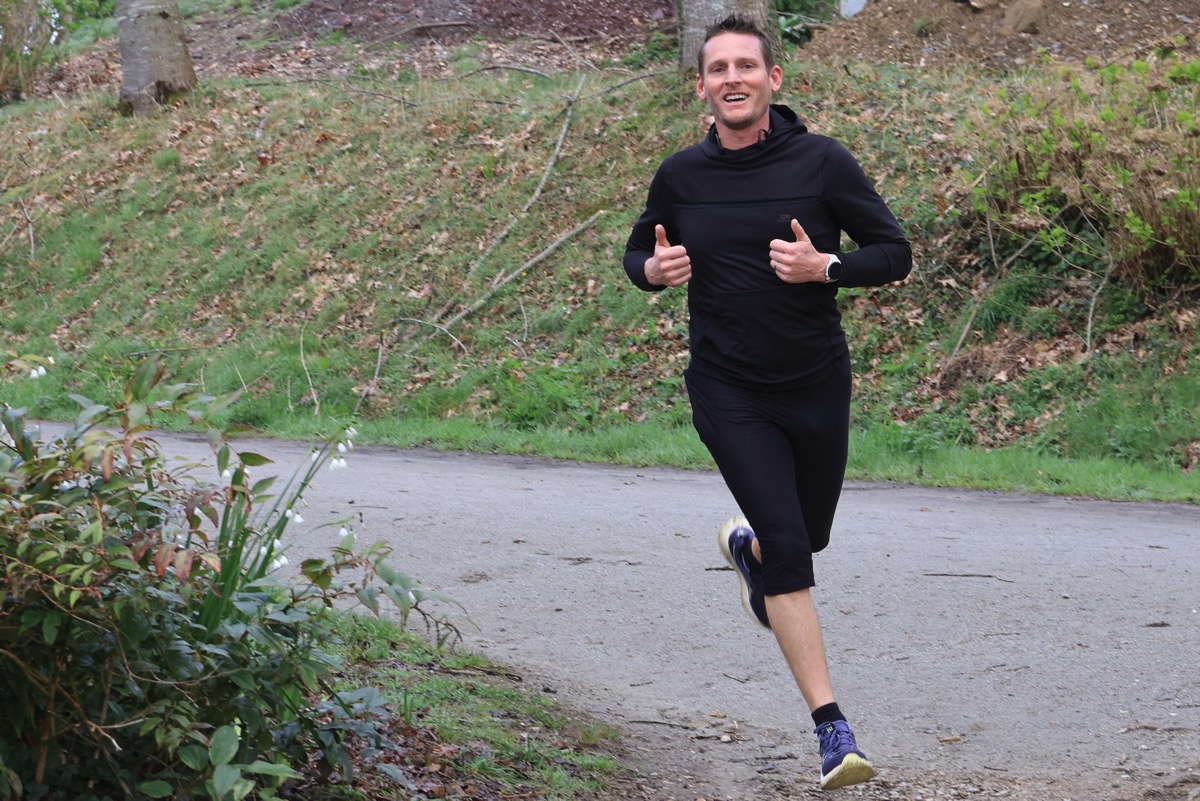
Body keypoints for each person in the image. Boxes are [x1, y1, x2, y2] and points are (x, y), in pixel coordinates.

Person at [622, 13, 913, 791]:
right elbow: (638, 249)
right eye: (718, 69)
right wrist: (652, 272)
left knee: (806, 536)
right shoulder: (681, 176)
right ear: (701, 86)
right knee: (793, 548)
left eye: (745, 66)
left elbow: (895, 253)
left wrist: (827, 267)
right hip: (728, 388)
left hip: (815, 382)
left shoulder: (822, 162)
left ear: (773, 78)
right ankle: (833, 730)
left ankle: (752, 553)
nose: (733, 79)